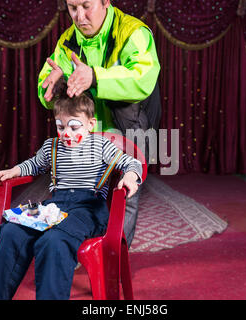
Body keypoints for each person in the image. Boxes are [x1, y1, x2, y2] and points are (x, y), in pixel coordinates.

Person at [0, 90, 142, 300]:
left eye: (74, 127)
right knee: (11, 231)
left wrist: (130, 176)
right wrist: (14, 171)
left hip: (88, 207)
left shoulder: (101, 145)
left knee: (53, 240)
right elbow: (34, 164)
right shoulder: (52, 146)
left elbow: (132, 162)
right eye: (60, 126)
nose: (67, 133)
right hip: (55, 204)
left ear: (91, 124)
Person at [37, 0, 161, 247]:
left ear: (106, 1)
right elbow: (46, 91)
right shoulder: (67, 40)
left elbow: (142, 78)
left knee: (123, 193)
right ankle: (73, 241)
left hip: (130, 125)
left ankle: (115, 255)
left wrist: (94, 76)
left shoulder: (133, 31)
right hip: (91, 132)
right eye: (73, 8)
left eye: (86, 6)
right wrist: (56, 85)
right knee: (78, 189)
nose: (79, 16)